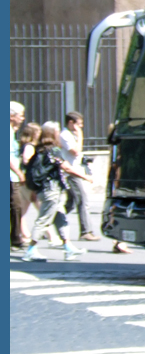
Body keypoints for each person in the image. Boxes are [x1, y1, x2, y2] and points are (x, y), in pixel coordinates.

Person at [22, 124, 91, 262]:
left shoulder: (40, 150)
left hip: (48, 188)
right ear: (53, 134)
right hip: (51, 189)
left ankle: (68, 247)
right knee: (44, 219)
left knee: (61, 217)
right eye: (57, 132)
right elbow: (67, 167)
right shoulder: (53, 150)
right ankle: (31, 249)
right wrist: (86, 177)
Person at [59, 110, 100, 241]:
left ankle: (50, 222)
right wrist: (80, 135)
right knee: (83, 200)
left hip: (76, 170)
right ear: (71, 123)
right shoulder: (65, 135)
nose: (81, 126)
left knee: (70, 203)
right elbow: (76, 151)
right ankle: (85, 231)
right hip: (70, 173)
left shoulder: (71, 134)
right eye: (79, 124)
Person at [18, 122, 42, 242]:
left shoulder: (24, 145)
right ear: (34, 133)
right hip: (30, 181)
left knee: (22, 209)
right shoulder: (29, 146)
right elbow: (27, 160)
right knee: (42, 207)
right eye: (38, 132)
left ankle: (24, 233)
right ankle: (50, 235)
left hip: (25, 180)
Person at [10, 101, 27, 249]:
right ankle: (15, 239)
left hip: (12, 176)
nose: (22, 118)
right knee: (15, 206)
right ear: (11, 116)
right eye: (20, 116)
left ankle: (15, 238)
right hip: (10, 176)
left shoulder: (11, 131)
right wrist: (19, 172)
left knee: (16, 207)